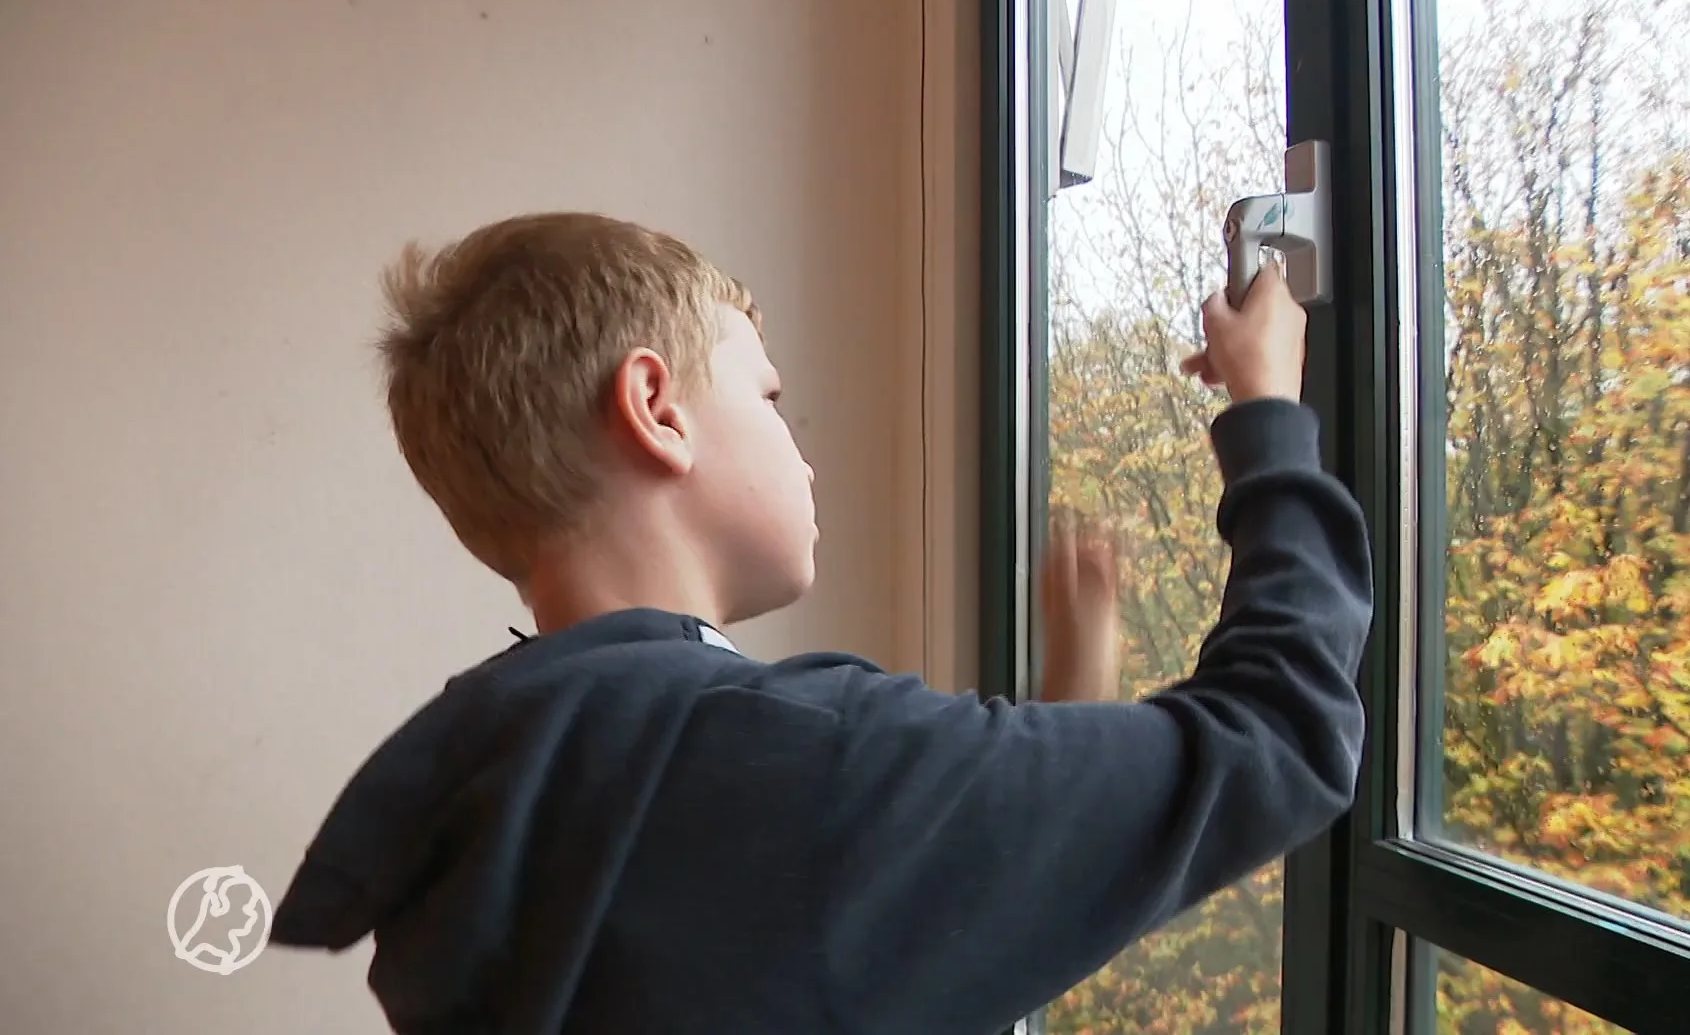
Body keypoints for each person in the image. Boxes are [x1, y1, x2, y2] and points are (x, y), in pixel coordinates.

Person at [269, 211, 1373, 1035]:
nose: (804, 455)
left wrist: (1065, 709)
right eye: (768, 399)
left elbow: (848, 952)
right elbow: (1281, 739)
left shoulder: (504, 771)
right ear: (656, 410)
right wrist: (1269, 412)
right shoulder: (797, 761)